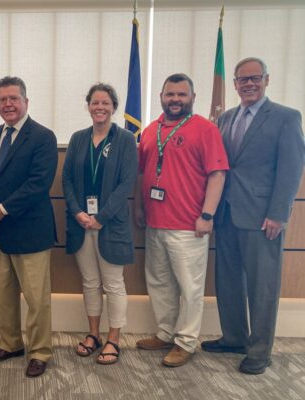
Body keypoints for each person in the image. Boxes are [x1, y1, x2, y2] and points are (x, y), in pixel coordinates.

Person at [201, 57, 305, 375]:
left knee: (262, 287)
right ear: (234, 84)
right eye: (242, 79)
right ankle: (234, 338)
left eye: (254, 78)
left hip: (262, 218)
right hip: (227, 214)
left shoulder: (286, 117)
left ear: (266, 80)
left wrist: (278, 213)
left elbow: (291, 168)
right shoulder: (226, 118)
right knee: (228, 281)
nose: (248, 84)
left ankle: (260, 351)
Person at [133, 73, 228, 367]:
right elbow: (141, 173)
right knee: (159, 282)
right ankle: (164, 332)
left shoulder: (205, 129)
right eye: (170, 94)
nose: (175, 99)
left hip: (190, 226)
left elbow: (218, 173)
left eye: (181, 95)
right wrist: (138, 208)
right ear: (161, 96)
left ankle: (185, 342)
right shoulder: (151, 130)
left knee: (189, 288)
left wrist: (207, 215)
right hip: (155, 222)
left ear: (192, 98)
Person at [0, 76, 58, 378]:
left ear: (26, 101)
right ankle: (10, 342)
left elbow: (39, 184)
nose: (8, 104)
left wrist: (3, 208)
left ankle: (40, 351)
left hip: (30, 230)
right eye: (2, 99)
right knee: (2, 295)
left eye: (13, 98)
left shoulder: (42, 136)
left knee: (37, 299)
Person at [62, 83, 137, 365]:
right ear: (88, 106)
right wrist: (78, 212)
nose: (100, 107)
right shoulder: (78, 138)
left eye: (105, 103)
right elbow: (67, 178)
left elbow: (126, 183)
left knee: (114, 284)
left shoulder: (126, 140)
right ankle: (93, 335)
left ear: (114, 107)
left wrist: (101, 216)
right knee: (90, 282)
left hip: (110, 224)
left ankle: (113, 339)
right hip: (81, 223)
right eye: (95, 102)